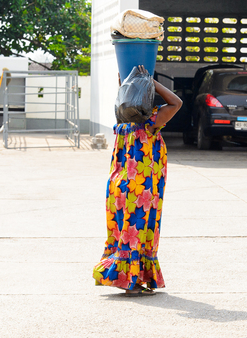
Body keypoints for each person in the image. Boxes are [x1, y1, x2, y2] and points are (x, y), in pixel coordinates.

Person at [93, 65, 182, 296]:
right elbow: (176, 103)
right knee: (141, 232)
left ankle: (128, 277)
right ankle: (131, 282)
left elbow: (127, 99)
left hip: (117, 187)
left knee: (122, 232)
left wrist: (126, 83)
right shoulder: (151, 122)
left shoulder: (122, 124)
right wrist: (152, 83)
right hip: (140, 189)